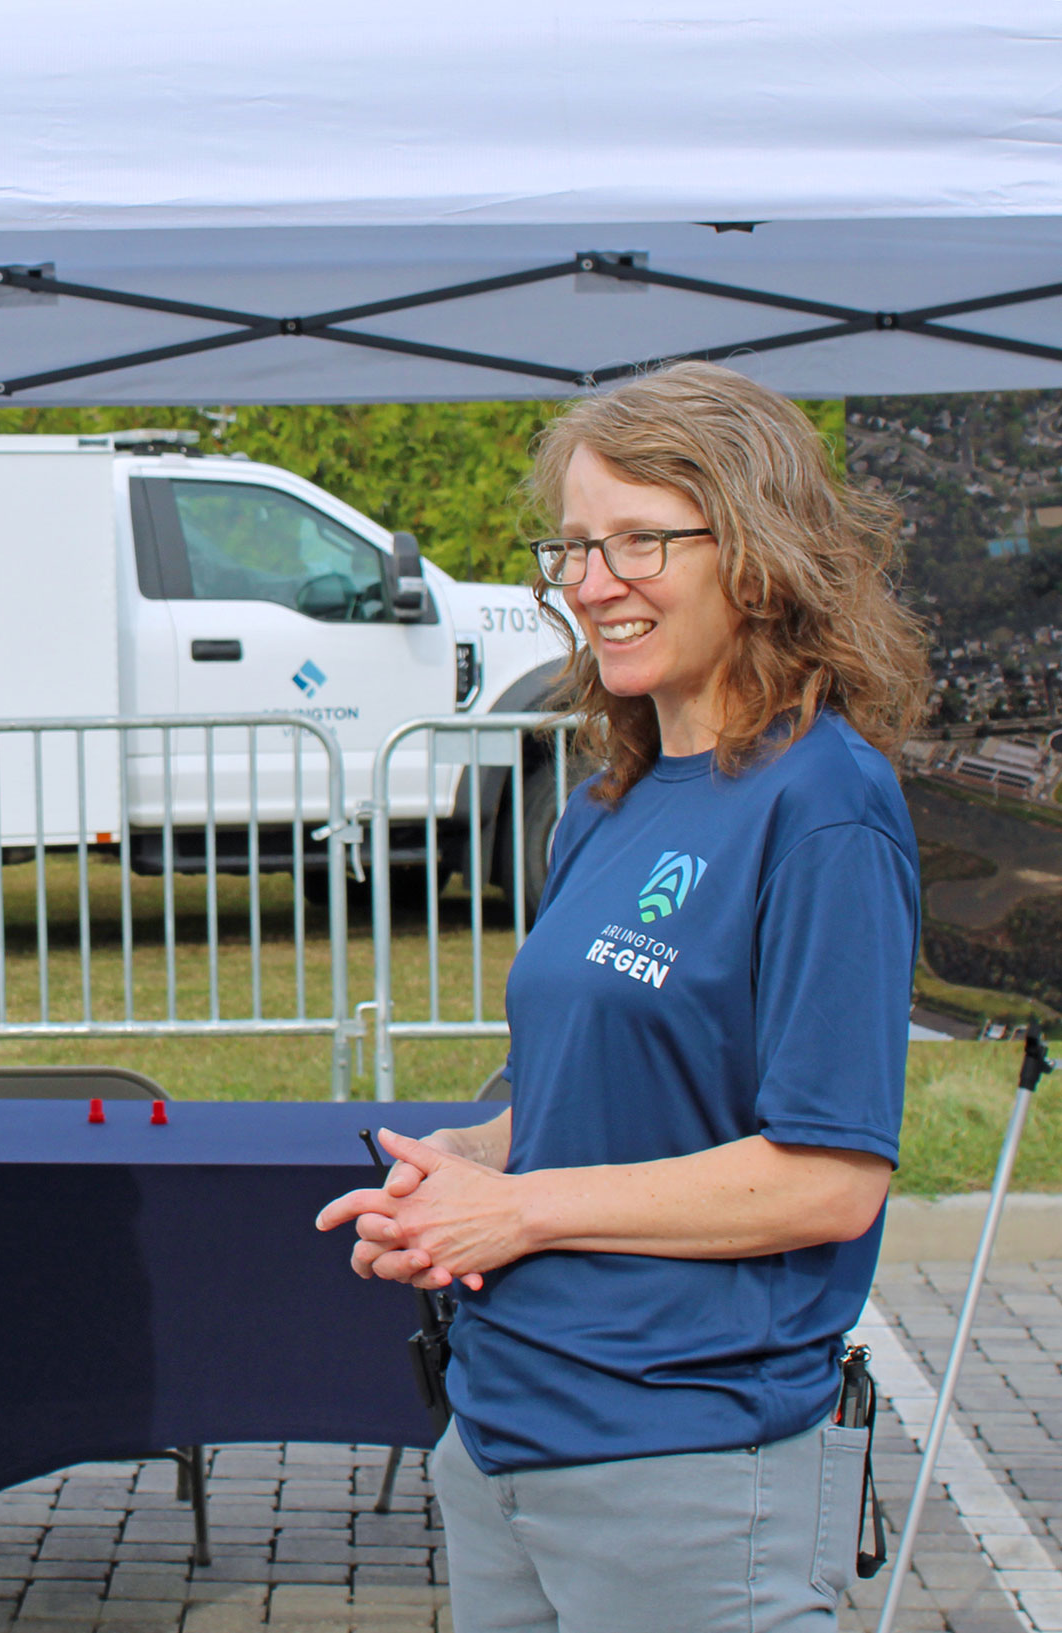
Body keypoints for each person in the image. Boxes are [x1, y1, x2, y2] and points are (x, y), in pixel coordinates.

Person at [315, 361, 929, 1632]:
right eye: (574, 548)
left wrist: (518, 1212)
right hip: (501, 1435)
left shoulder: (825, 805)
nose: (591, 584)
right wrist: (458, 1173)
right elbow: (592, 1099)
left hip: (686, 1465)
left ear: (754, 553)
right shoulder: (606, 800)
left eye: (639, 540)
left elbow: (829, 1177)